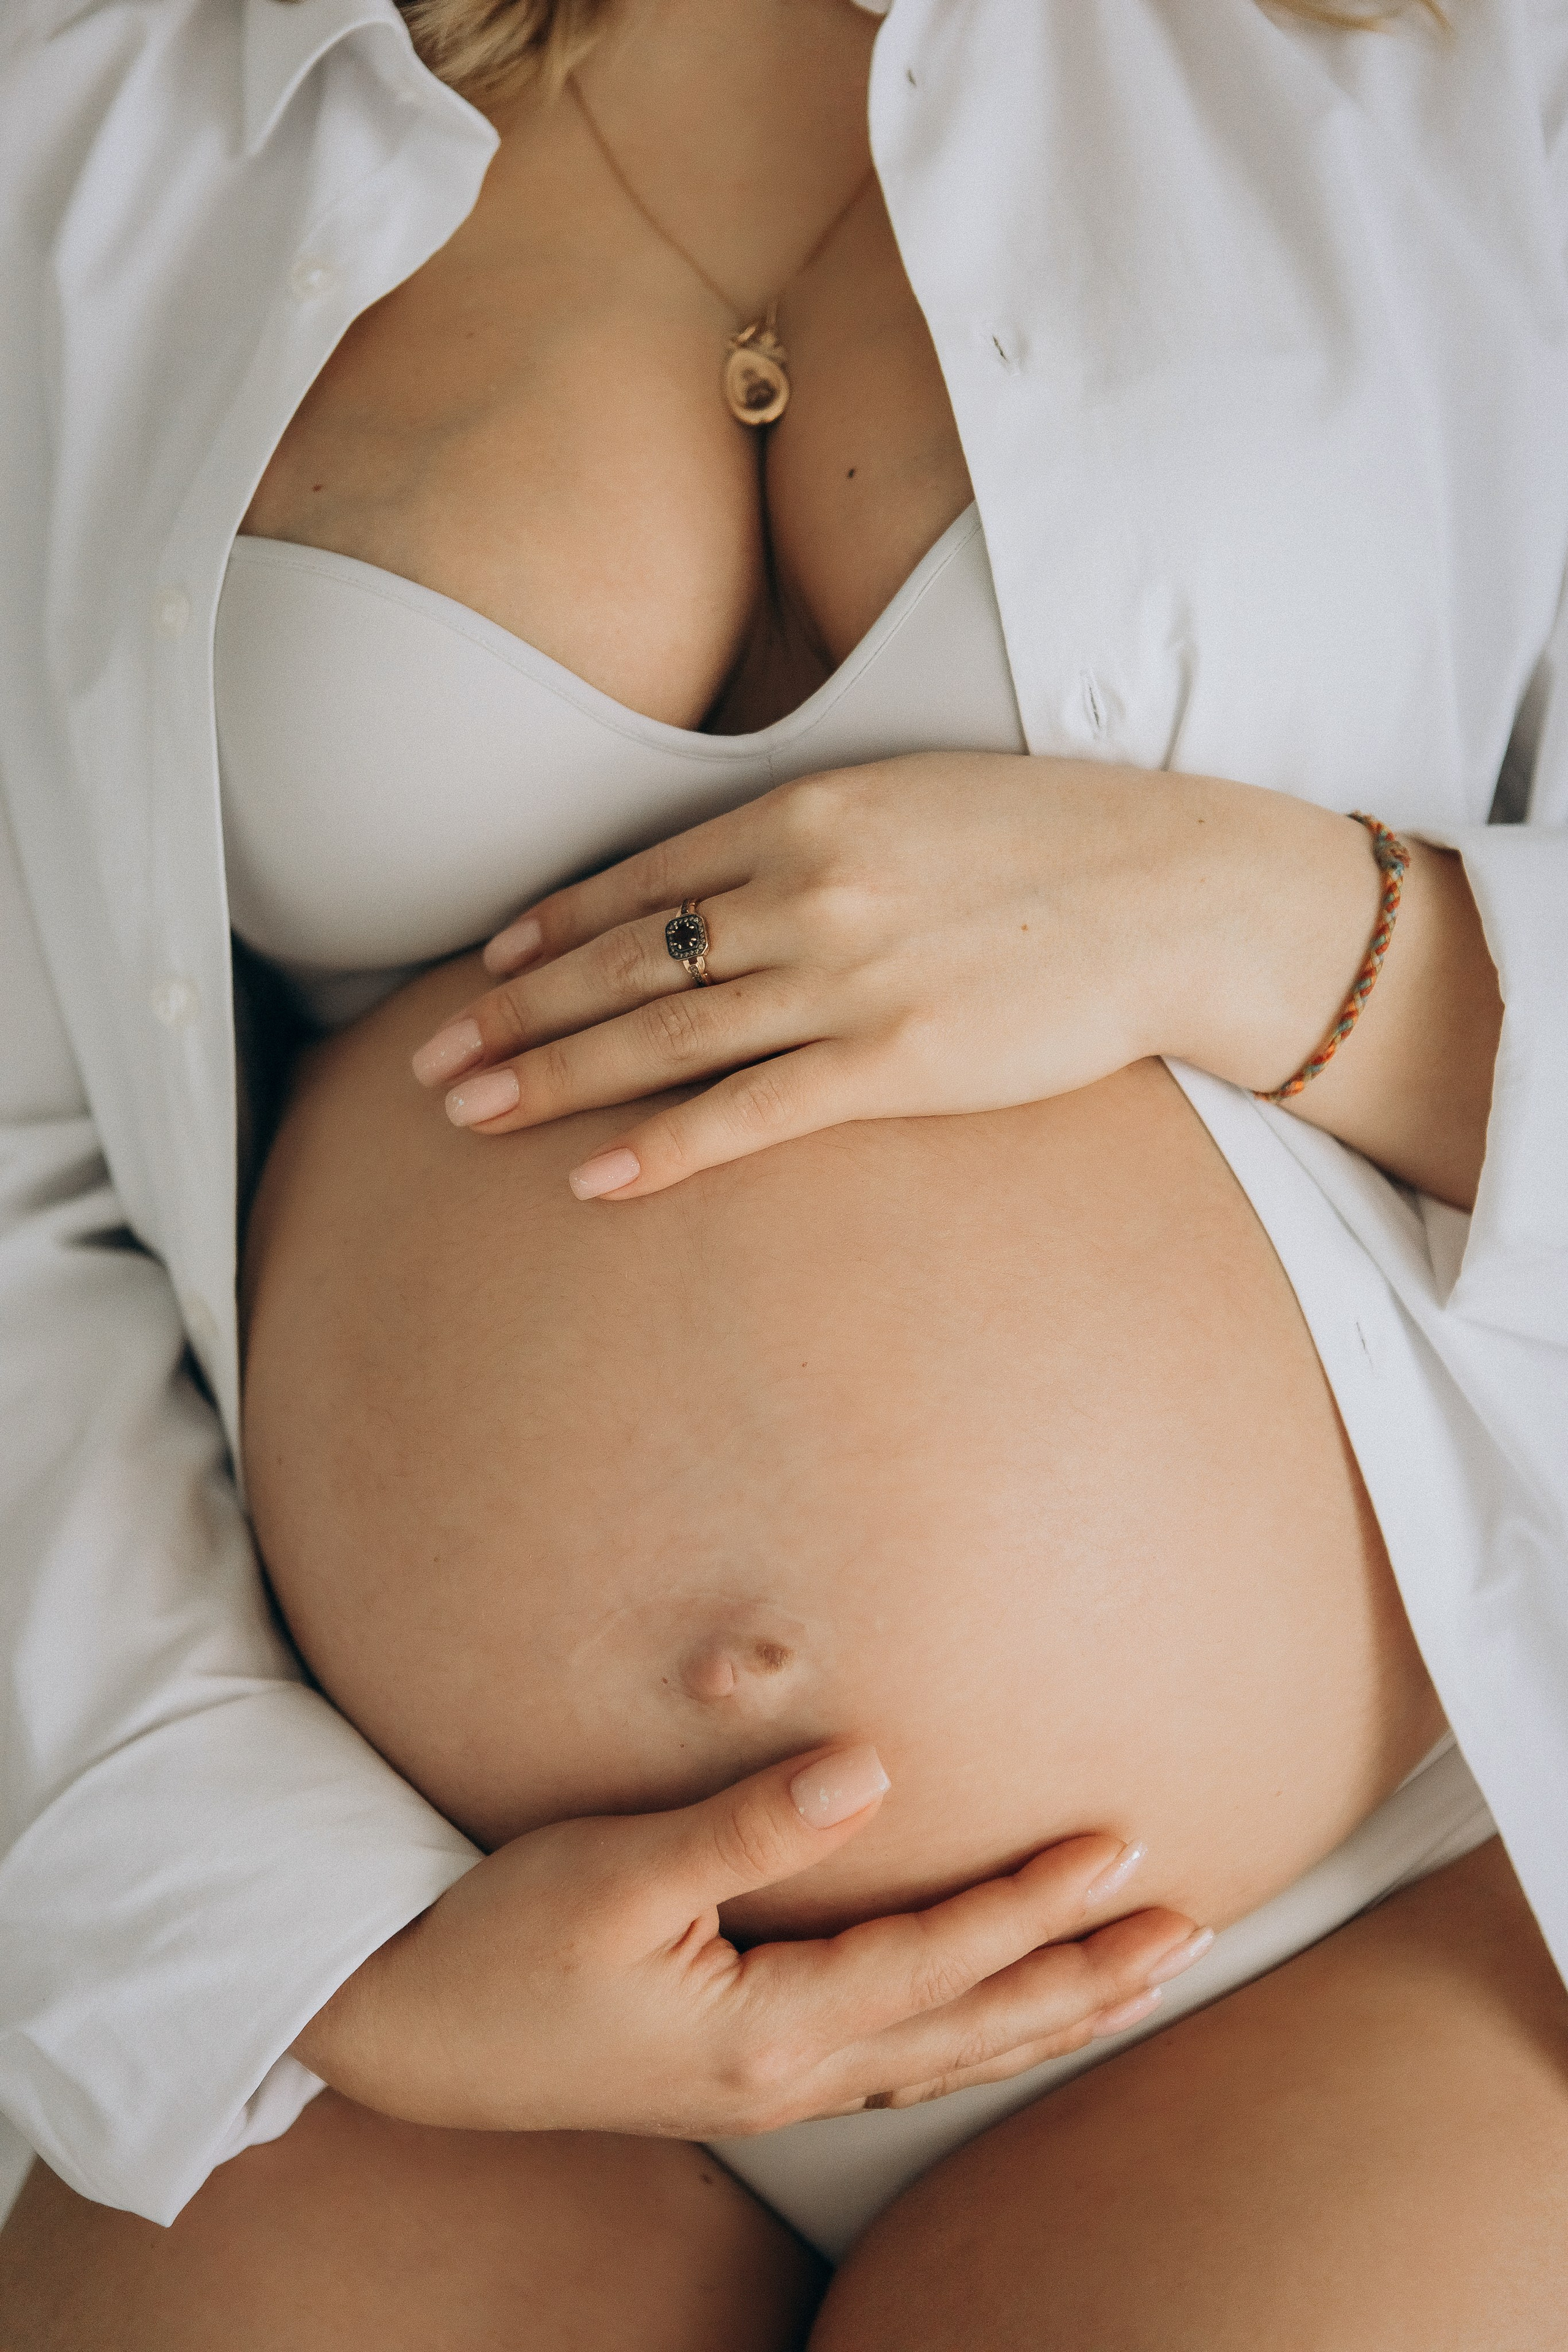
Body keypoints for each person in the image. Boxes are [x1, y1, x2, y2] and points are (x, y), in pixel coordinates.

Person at [1, 0, 1567, 2343]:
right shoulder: (96, 106)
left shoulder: (1460, 59)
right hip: (405, 1996)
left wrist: (1261, 926)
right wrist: (313, 1949)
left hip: (1335, 1934)